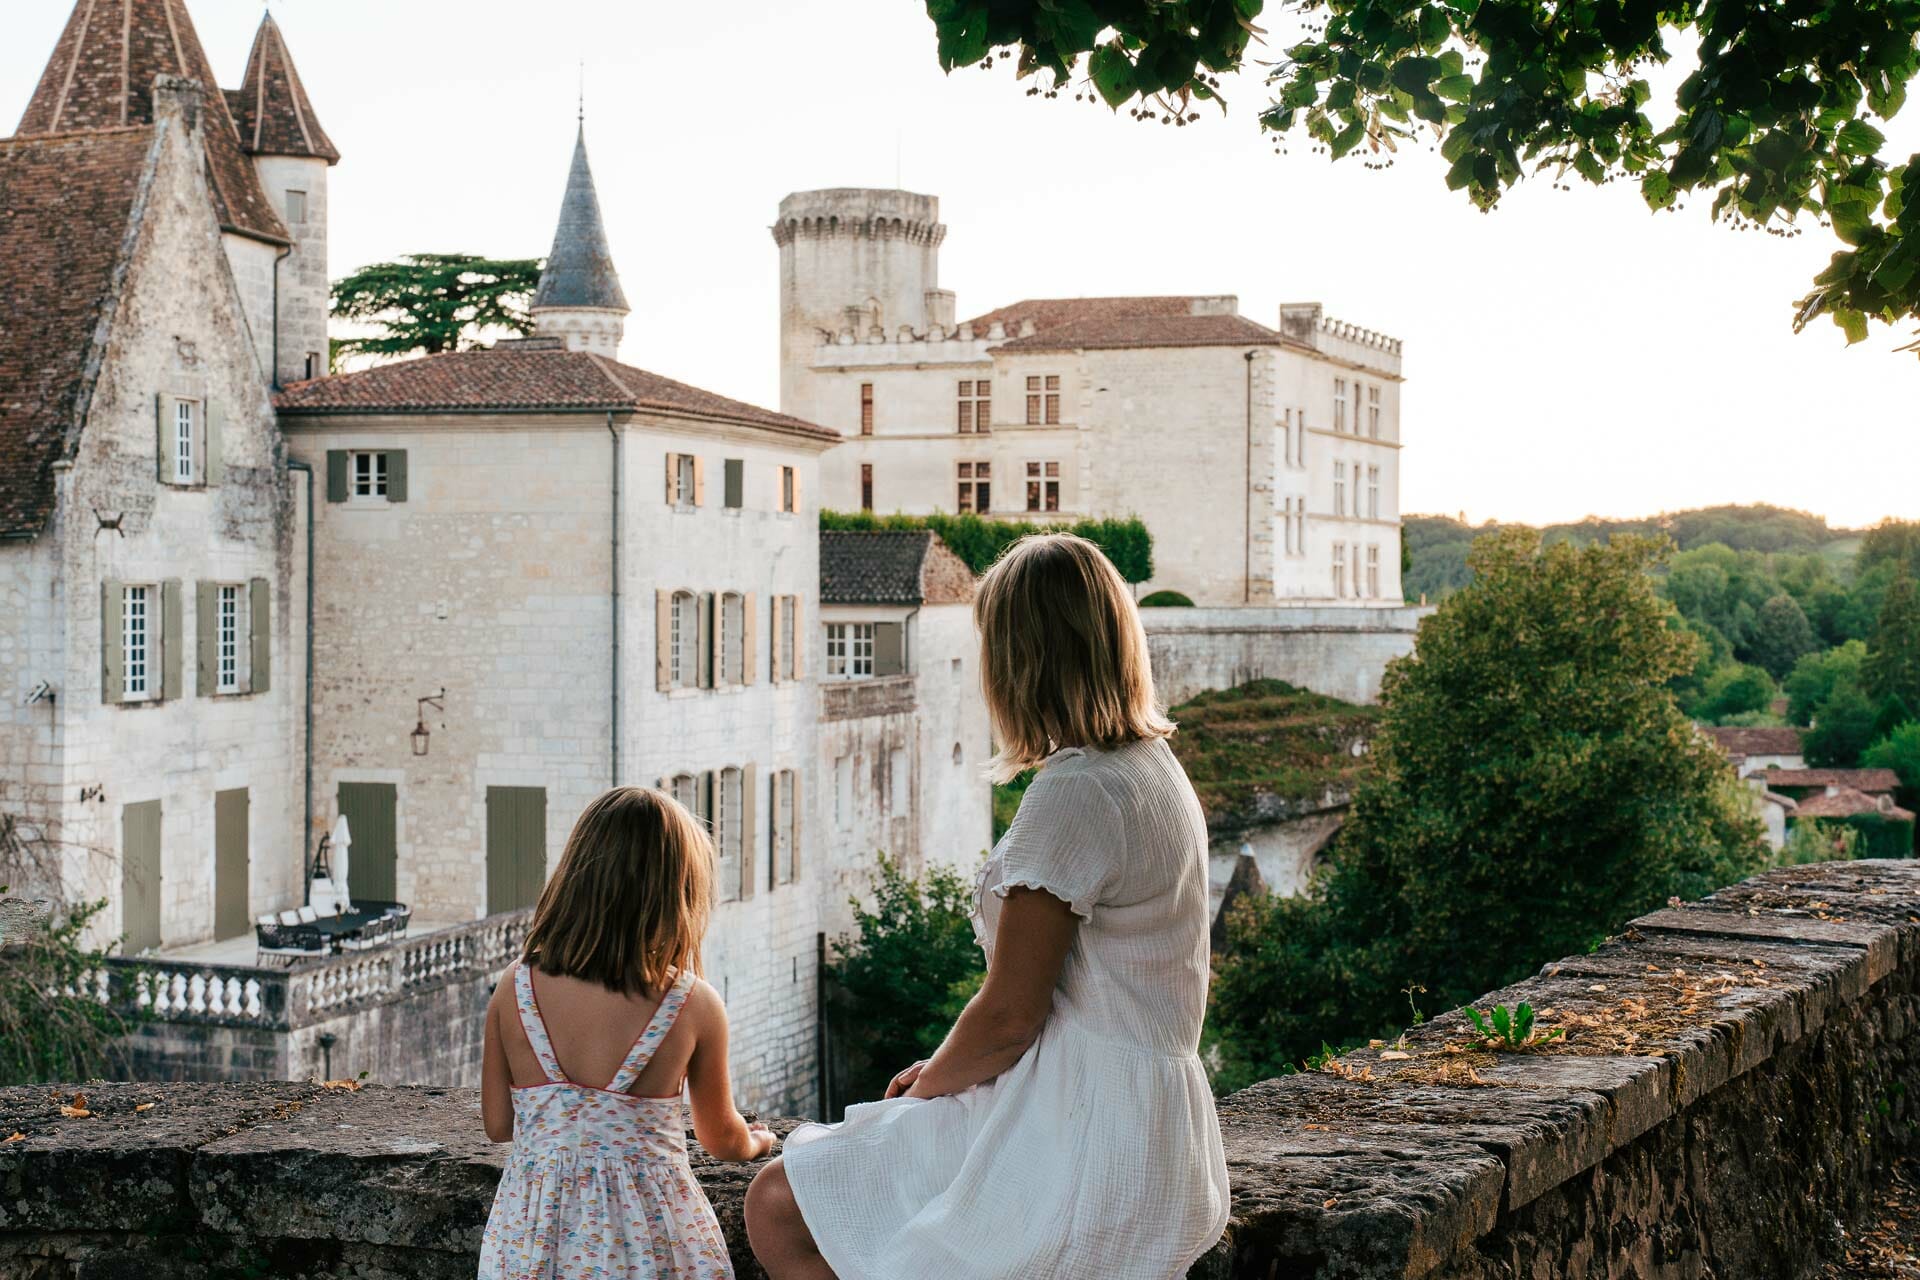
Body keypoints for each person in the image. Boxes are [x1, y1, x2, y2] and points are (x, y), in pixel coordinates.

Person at [746, 533, 1231, 1279]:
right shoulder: (1152, 769)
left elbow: (1010, 1016)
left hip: (1082, 1129)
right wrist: (946, 1072)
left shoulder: (1077, 792)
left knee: (781, 1199)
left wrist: (930, 1079)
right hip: (1149, 1122)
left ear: (1022, 657)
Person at [479, 786, 775, 1279]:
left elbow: (498, 1124)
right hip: (652, 1235)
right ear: (679, 892)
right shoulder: (691, 1003)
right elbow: (720, 1137)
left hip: (533, 1236)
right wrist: (758, 1143)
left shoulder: (516, 987)